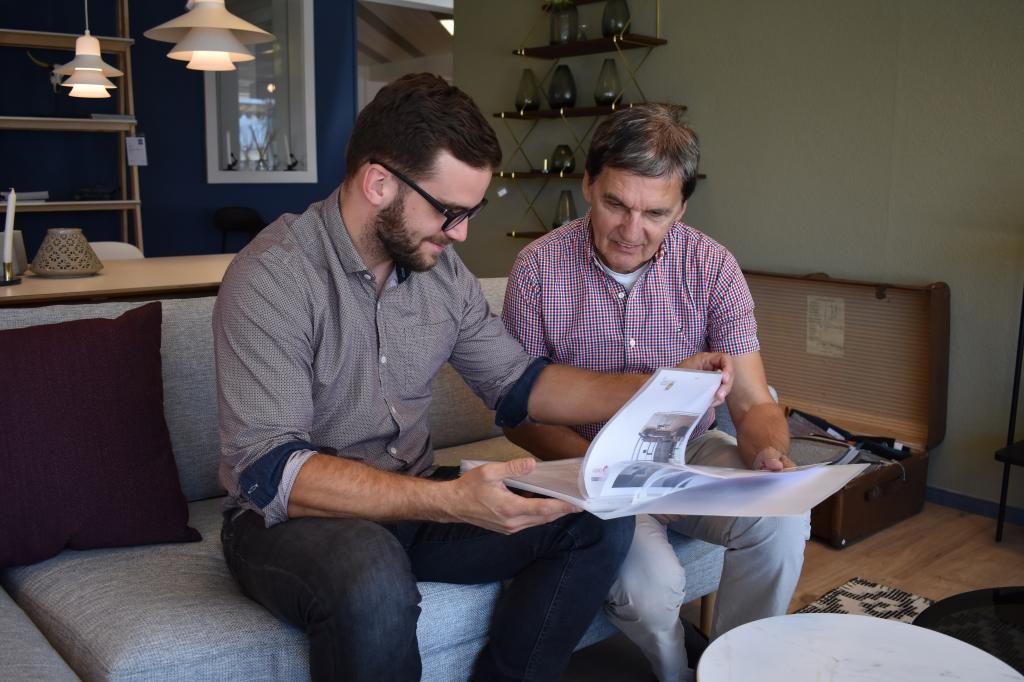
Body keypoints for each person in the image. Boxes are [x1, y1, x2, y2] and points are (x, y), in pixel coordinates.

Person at [212, 74, 731, 682]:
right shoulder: (273, 276)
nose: (460, 233)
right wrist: (447, 500)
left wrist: (660, 386)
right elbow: (272, 470)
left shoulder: (440, 273)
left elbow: (520, 384)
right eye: (449, 211)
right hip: (290, 522)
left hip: (411, 499)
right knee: (370, 572)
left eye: (469, 213)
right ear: (379, 183)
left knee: (596, 519)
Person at [501, 103, 811, 682]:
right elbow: (518, 414)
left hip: (689, 453)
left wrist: (768, 451)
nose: (631, 230)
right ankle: (676, 670)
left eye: (655, 213)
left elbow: (754, 402)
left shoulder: (713, 267)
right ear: (587, 184)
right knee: (650, 587)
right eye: (616, 204)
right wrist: (608, 470)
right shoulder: (538, 268)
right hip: (587, 466)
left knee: (783, 517)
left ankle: (736, 670)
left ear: (681, 207)